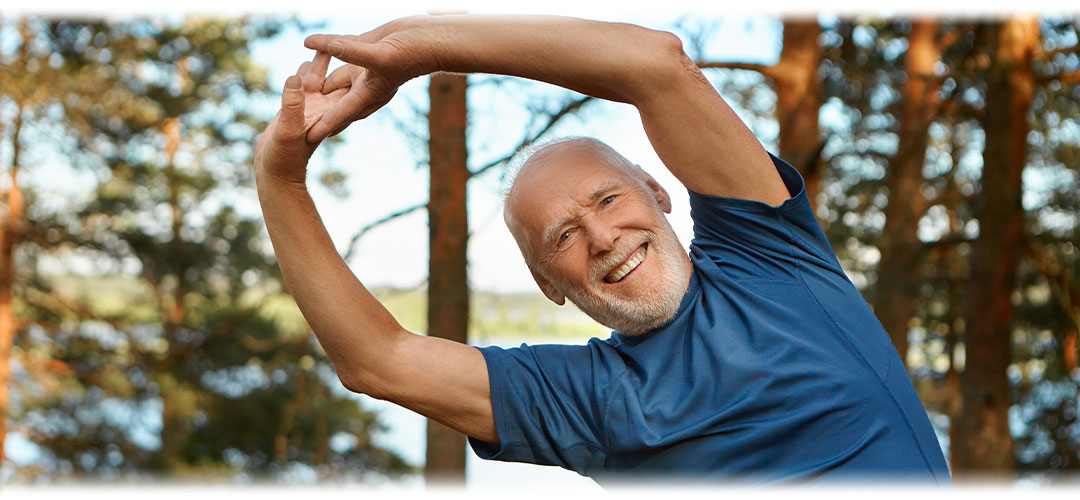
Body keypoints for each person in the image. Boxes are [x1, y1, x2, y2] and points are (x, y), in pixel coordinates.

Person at [254, 15, 952, 485]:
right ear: (548, 284)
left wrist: (423, 46)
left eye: (609, 200)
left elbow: (654, 63)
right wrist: (278, 176)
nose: (601, 238)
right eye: (563, 237)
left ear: (658, 190)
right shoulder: (581, 399)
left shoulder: (770, 259)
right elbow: (377, 361)